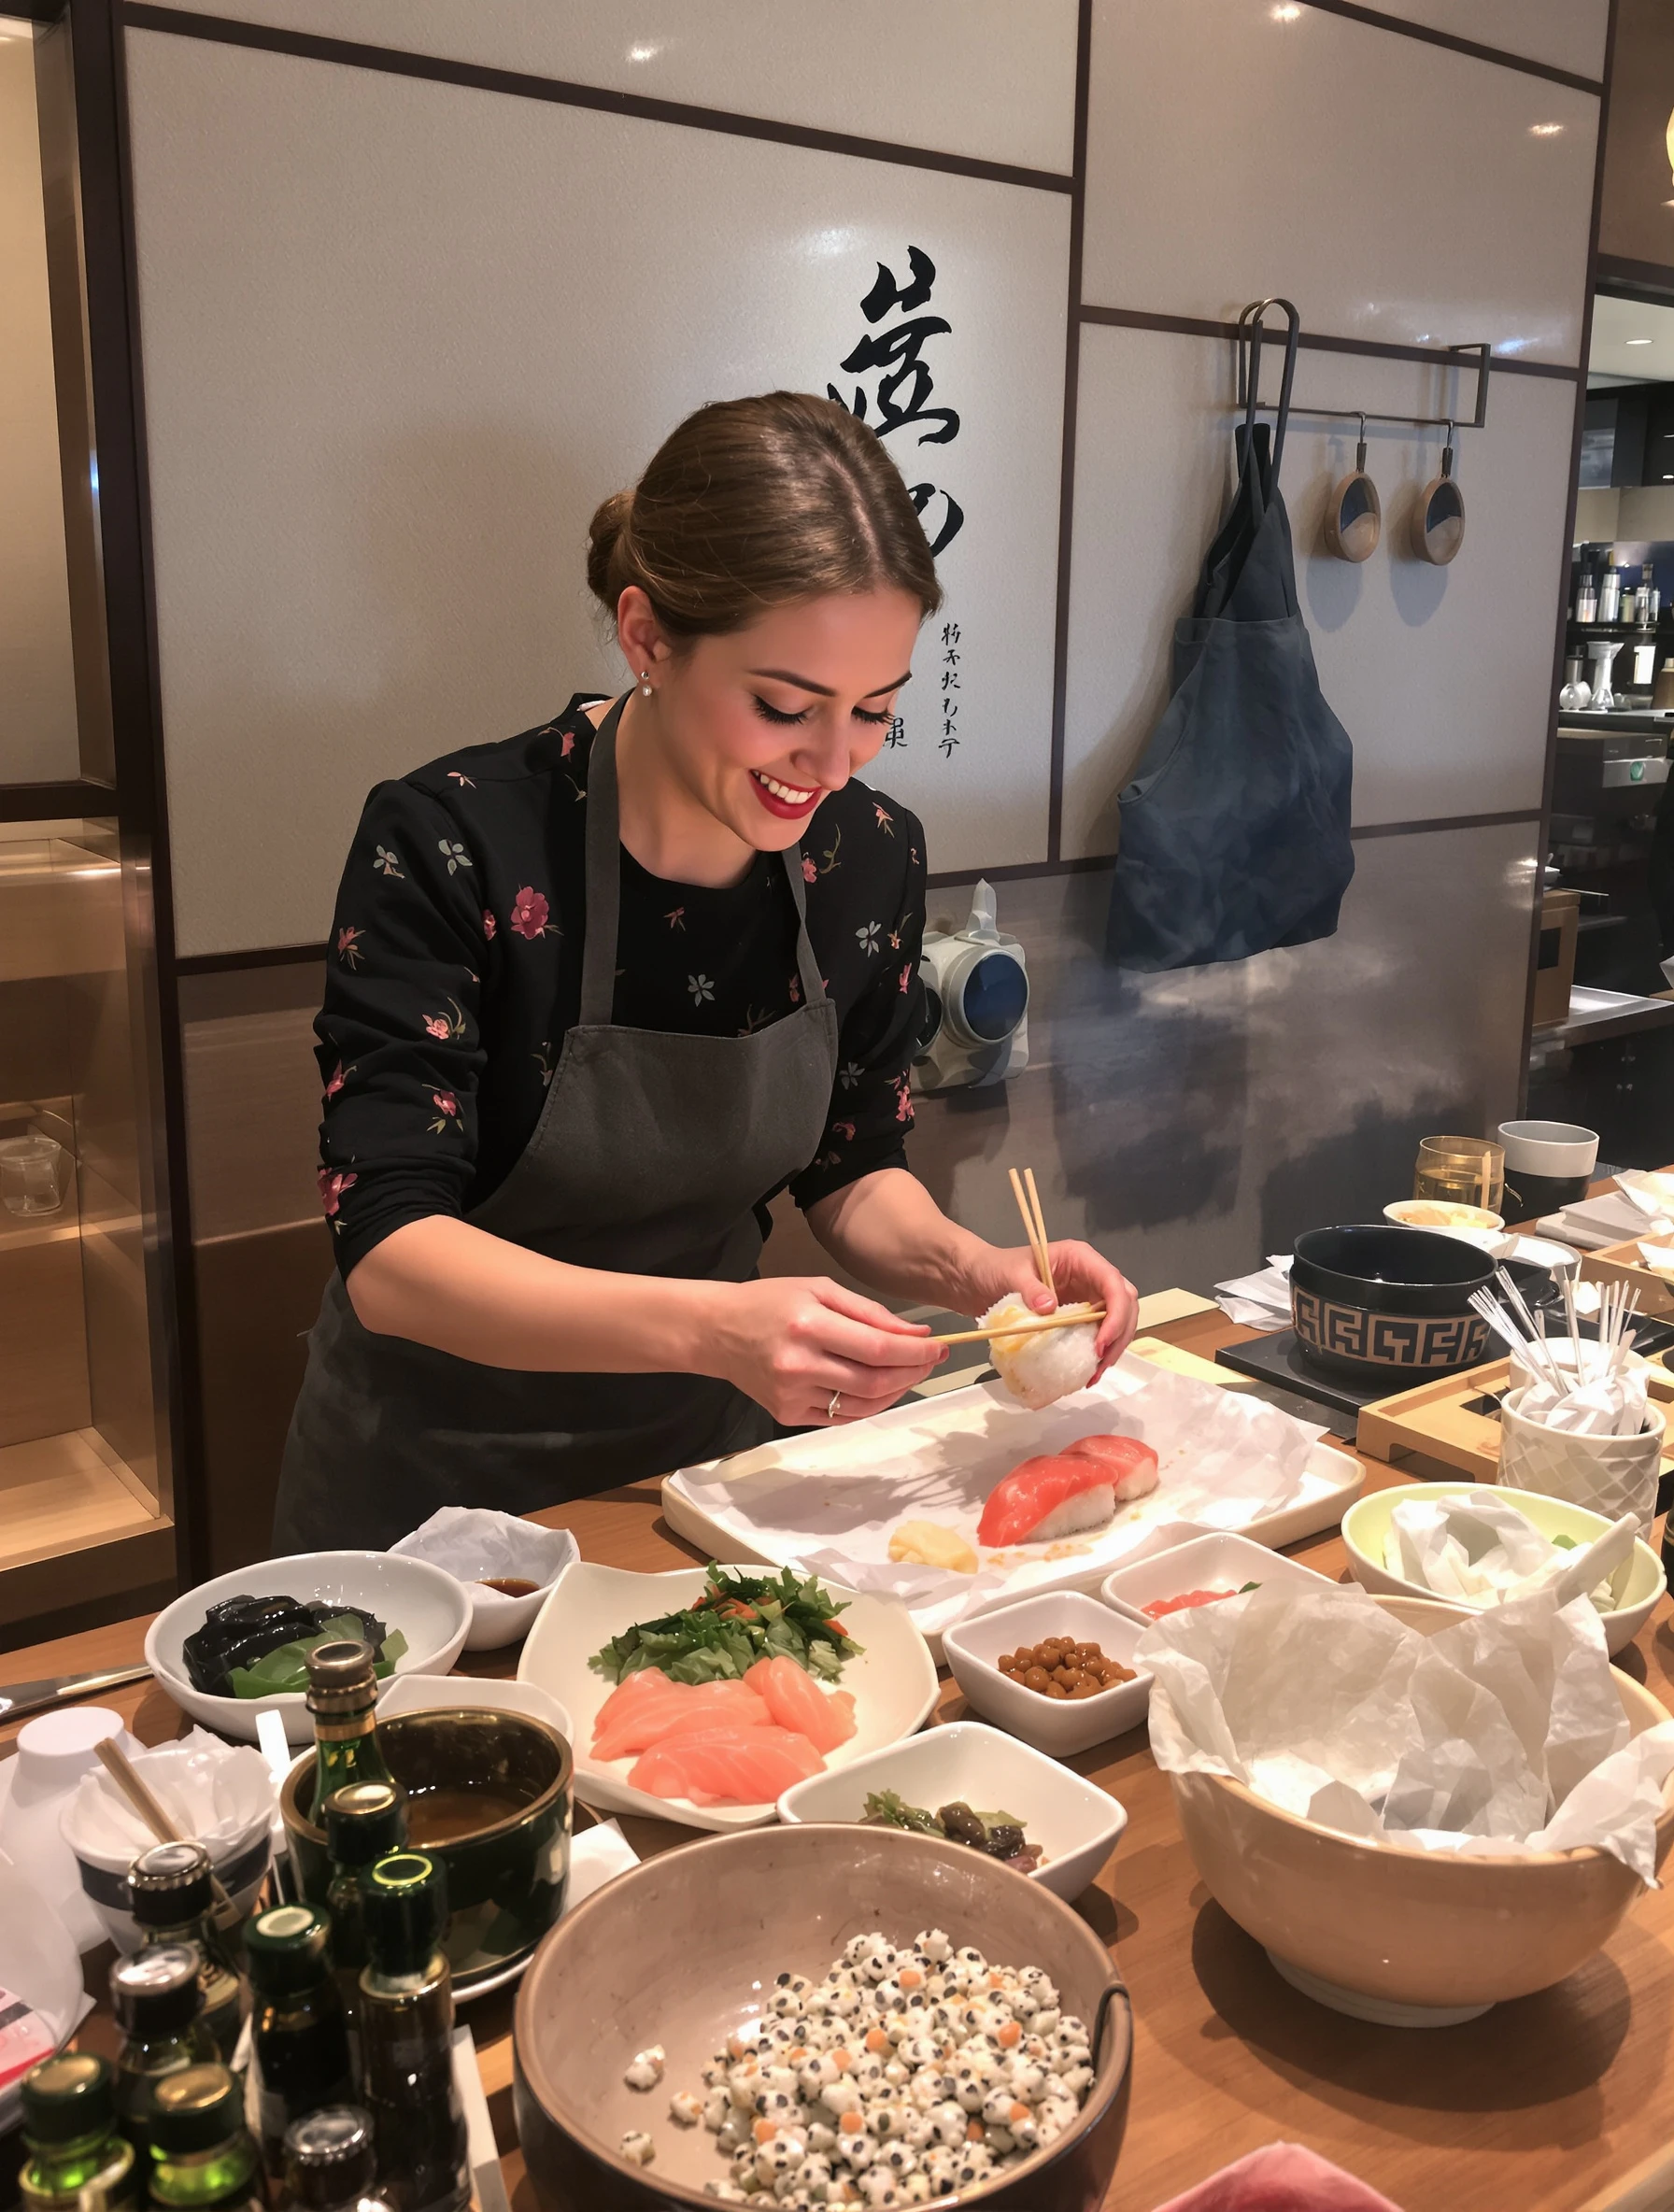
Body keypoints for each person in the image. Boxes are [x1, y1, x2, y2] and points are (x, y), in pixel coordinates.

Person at [274, 391, 1138, 1550]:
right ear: (646, 637)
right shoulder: (456, 841)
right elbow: (389, 1251)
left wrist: (979, 1273)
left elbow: (851, 1166)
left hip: (711, 1479)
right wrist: (714, 1326)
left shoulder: (866, 855)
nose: (829, 763)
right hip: (434, 1492)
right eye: (784, 706)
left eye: (874, 711)